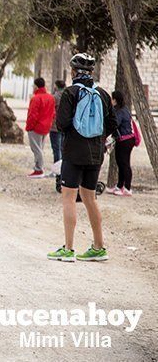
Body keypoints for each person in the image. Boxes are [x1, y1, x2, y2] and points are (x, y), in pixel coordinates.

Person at [47, 53, 116, 263]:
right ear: (92, 72)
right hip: (96, 154)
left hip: (73, 153)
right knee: (90, 198)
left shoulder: (70, 93)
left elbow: (62, 123)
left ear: (73, 71)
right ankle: (99, 246)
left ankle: (68, 249)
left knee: (69, 197)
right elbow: (112, 124)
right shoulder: (103, 94)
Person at [25, 77, 56, 178]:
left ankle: (39, 169)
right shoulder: (50, 97)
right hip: (46, 126)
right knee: (40, 147)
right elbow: (53, 113)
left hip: (36, 127)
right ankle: (38, 167)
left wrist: (29, 127)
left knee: (36, 148)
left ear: (36, 86)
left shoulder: (36, 98)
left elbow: (33, 114)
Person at [108, 90, 136, 197]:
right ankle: (119, 186)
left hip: (126, 140)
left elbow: (115, 124)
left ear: (115, 100)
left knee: (124, 163)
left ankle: (128, 188)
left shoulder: (120, 111)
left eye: (112, 98)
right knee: (120, 163)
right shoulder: (122, 109)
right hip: (123, 140)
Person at [49, 79, 66, 164]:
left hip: (55, 125)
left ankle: (57, 168)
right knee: (62, 148)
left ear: (56, 86)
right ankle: (62, 168)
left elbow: (50, 110)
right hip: (65, 125)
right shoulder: (67, 95)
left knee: (56, 148)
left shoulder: (54, 97)